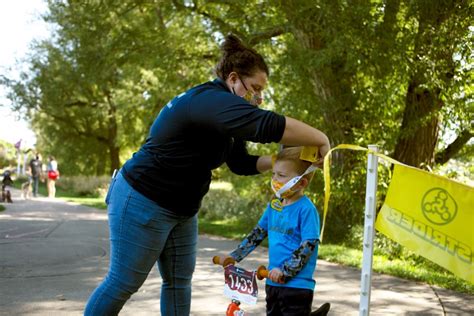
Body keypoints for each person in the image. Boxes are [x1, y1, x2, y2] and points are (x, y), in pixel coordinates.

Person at [84, 34, 331, 316]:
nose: (259, 97)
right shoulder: (210, 101)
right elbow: (265, 125)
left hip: (183, 209)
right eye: (255, 88)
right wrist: (320, 138)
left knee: (178, 283)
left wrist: (280, 160)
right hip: (143, 197)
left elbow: (239, 162)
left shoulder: (225, 115)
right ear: (234, 79)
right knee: (123, 282)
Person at [217, 147, 327, 316]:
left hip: (296, 286)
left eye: (281, 176)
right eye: (274, 174)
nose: (275, 179)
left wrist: (286, 270)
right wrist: (234, 256)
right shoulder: (274, 205)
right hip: (272, 282)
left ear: (302, 182)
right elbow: (257, 234)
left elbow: (309, 245)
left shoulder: (306, 210)